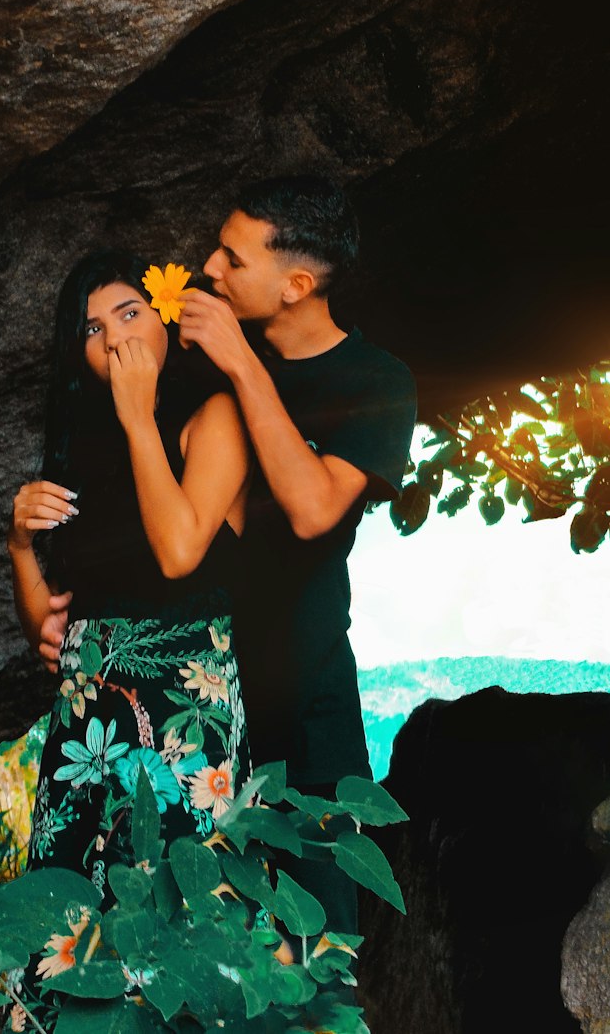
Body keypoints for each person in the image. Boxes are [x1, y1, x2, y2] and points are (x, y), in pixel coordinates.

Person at [176, 175, 418, 940]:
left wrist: (243, 368)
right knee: (193, 959)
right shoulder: (196, 367)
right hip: (196, 701)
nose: (209, 270)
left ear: (297, 286)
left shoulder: (375, 381)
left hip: (311, 706)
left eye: (232, 259)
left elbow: (315, 510)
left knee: (316, 955)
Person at [6, 250, 252, 995]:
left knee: (174, 925)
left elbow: (179, 553)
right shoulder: (82, 456)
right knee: (60, 931)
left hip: (183, 717)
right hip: (84, 726)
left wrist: (140, 416)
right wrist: (19, 544)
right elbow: (50, 635)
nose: (112, 337)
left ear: (167, 321)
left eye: (129, 312)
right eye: (90, 326)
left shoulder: (213, 419)